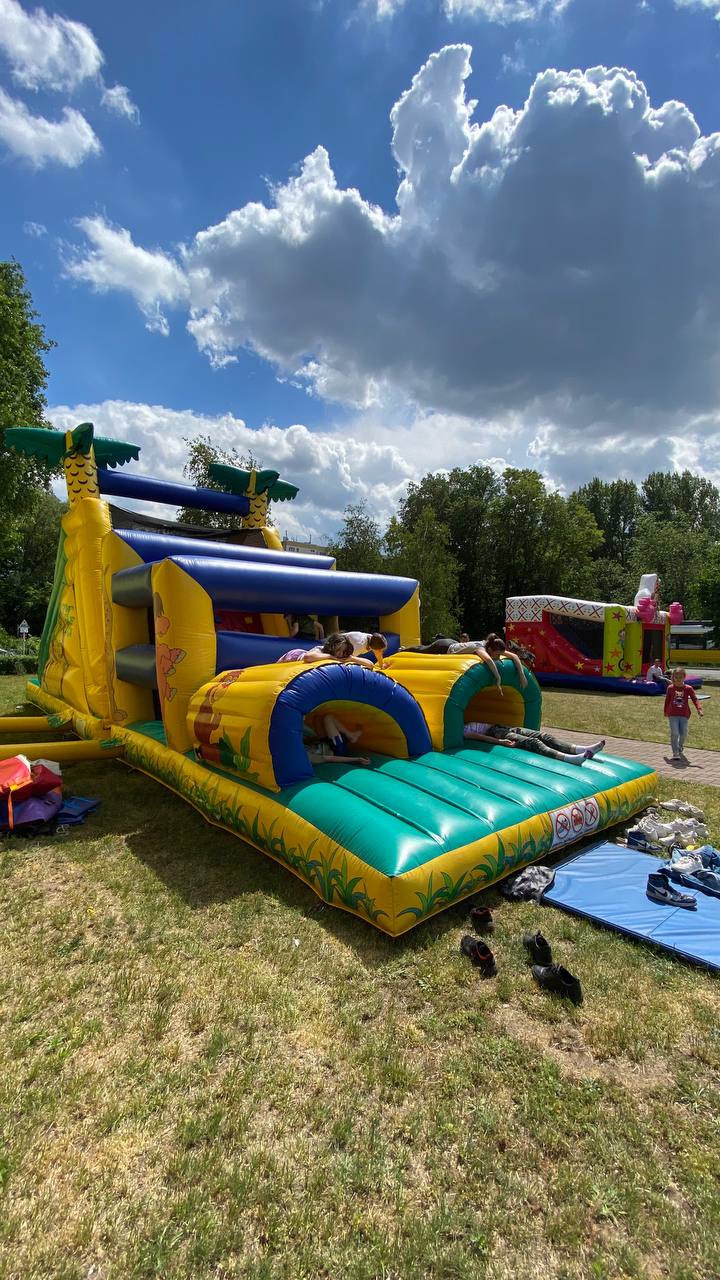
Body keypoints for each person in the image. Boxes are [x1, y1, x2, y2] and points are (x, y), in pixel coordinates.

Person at [463, 722, 606, 765]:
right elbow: (480, 737)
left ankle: (582, 749)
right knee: (534, 742)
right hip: (495, 733)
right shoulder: (461, 731)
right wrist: (500, 741)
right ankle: (569, 758)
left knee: (544, 736)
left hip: (500, 727)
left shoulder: (461, 722)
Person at [664, 667, 703, 760]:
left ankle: (680, 745)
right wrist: (665, 711)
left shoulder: (688, 688)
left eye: (680, 677)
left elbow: (695, 699)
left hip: (684, 715)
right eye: (676, 677)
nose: (678, 679)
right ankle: (675, 753)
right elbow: (667, 700)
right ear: (673, 677)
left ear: (684, 677)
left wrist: (699, 709)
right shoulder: (670, 688)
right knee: (675, 733)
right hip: (672, 714)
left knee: (683, 734)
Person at [305, 714, 370, 767]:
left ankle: (350, 736)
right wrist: (357, 759)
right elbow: (330, 758)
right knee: (328, 718)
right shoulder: (307, 757)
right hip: (336, 751)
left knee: (318, 718)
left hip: (323, 743)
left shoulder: (300, 749)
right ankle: (351, 736)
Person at [277, 632, 374, 667]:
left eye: (343, 651)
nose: (340, 654)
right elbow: (307, 657)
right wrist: (330, 656)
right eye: (338, 650)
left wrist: (352, 658)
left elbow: (370, 664)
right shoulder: (321, 650)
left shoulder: (344, 656)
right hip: (295, 655)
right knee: (276, 667)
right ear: (332, 647)